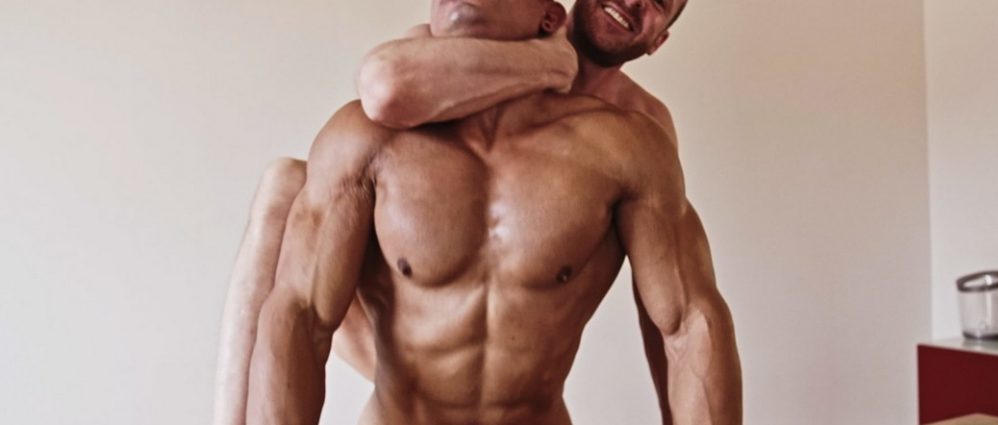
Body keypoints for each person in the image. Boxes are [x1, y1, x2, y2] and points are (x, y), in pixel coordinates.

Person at [214, 0, 740, 423]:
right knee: (285, 189)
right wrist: (551, 63)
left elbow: (680, 323)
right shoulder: (409, 94)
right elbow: (385, 85)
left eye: (657, 2)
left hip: (523, 373)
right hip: (404, 360)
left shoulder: (638, 134)